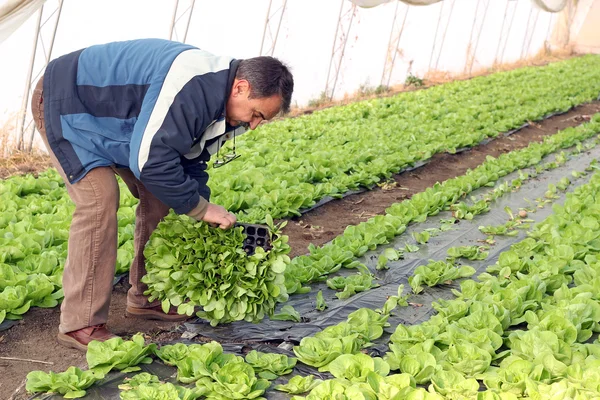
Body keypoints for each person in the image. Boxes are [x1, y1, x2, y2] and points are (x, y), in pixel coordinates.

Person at [30, 38, 294, 351]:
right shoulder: (193, 86)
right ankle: (80, 324)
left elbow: (191, 163)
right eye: (256, 114)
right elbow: (150, 161)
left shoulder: (226, 108)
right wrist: (199, 209)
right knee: (100, 201)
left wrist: (201, 205)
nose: (253, 126)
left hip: (120, 125)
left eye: (261, 119)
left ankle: (146, 297)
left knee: (162, 198)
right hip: (67, 103)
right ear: (240, 87)